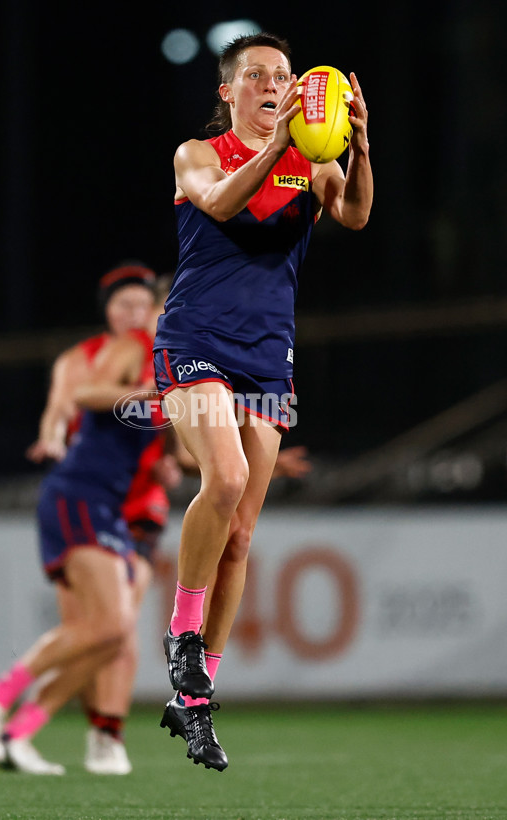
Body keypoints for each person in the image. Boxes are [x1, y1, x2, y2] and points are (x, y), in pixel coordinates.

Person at [153, 32, 373, 771]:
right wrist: (276, 146)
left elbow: (354, 217)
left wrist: (360, 149)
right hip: (195, 339)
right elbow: (217, 205)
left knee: (242, 536)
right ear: (229, 92)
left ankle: (195, 699)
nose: (272, 84)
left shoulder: (315, 161)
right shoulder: (198, 154)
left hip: (267, 359)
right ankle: (182, 639)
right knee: (227, 480)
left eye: (281, 76)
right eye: (256, 76)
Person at [0, 264, 174, 775]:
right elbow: (81, 395)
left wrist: (257, 459)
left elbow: (181, 450)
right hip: (81, 493)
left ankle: (18, 729)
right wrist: (148, 395)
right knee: (106, 626)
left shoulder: (178, 362)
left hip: (109, 504)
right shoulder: (136, 345)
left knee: (109, 631)